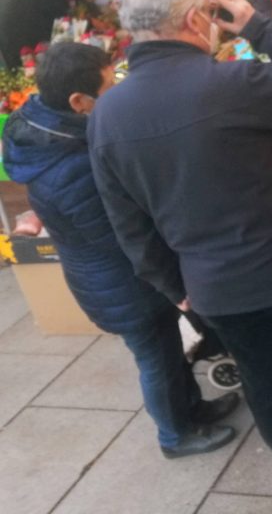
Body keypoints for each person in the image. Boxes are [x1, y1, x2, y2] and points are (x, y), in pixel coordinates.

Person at [88, 0, 272, 480]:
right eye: (208, 11)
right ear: (192, 21)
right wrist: (257, 25)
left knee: (268, 387)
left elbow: (128, 222)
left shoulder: (106, 114)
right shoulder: (231, 83)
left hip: (215, 290)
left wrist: (174, 287)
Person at [2, 42, 239, 459]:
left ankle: (192, 408)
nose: (117, 92)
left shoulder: (53, 133)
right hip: (122, 283)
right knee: (157, 360)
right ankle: (174, 436)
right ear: (79, 101)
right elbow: (124, 234)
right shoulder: (72, 166)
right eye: (109, 86)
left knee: (168, 351)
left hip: (115, 275)